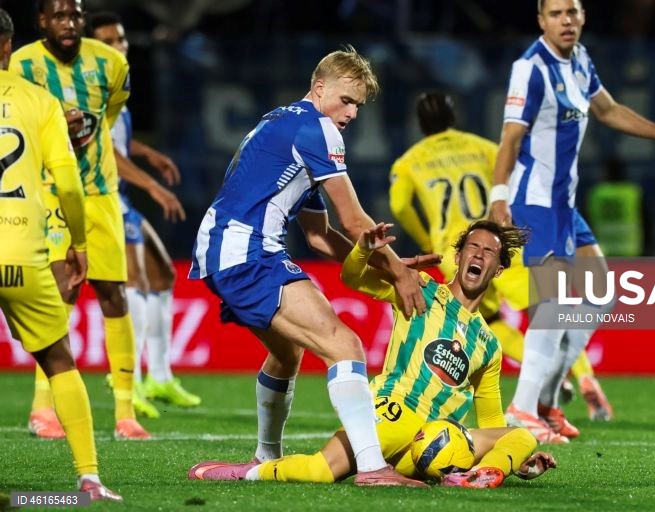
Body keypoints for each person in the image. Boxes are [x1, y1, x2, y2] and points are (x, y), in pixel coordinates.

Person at [188, 46, 431, 487]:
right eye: (347, 100)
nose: (352, 113)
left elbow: (320, 236)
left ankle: (265, 459)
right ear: (319, 88)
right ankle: (372, 467)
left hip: (225, 248)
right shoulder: (318, 130)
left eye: (359, 105)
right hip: (247, 251)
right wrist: (398, 272)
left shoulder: (285, 122)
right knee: (345, 344)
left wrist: (386, 266)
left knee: (287, 352)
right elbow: (354, 221)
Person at [489, 0, 655, 441]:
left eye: (572, 12)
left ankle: (547, 403)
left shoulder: (580, 60)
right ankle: (522, 408)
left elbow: (608, 111)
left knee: (600, 295)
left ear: (583, 16)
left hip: (564, 203)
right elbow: (510, 137)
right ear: (541, 20)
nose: (566, 20)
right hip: (534, 201)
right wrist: (499, 198)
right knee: (554, 306)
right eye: (556, 14)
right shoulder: (530, 68)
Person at [189, 221, 556, 489]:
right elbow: (353, 277)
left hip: (433, 442)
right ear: (459, 257)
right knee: (320, 471)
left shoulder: (489, 344)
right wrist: (364, 249)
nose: (478, 254)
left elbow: (491, 421)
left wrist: (516, 461)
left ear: (499, 268)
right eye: (472, 247)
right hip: (395, 411)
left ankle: (483, 475)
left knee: (522, 437)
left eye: (489, 252)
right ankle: (247, 473)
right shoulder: (421, 289)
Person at [390, 91, 611, 441]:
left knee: (488, 322)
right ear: (453, 116)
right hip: (500, 241)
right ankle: (581, 375)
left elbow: (400, 206)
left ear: (420, 124)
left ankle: (538, 387)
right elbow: (509, 182)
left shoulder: (408, 162)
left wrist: (426, 238)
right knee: (550, 310)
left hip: (457, 251)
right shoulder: (483, 147)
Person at [11, 0, 150, 440]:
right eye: (59, 16)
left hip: (101, 192)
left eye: (75, 15)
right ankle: (42, 409)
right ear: (42, 21)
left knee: (114, 295)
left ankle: (125, 412)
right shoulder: (21, 64)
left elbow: (111, 114)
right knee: (61, 290)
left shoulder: (111, 64)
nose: (69, 24)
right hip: (50, 190)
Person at [0, 8, 121, 501]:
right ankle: (88, 479)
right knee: (58, 360)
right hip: (21, 251)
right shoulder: (39, 100)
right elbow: (69, 186)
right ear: (8, 47)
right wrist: (78, 244)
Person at [87, 11, 200, 419]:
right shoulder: (91, 90)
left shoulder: (116, 84)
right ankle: (128, 379)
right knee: (133, 282)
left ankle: (160, 377)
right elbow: (102, 150)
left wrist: (147, 153)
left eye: (120, 39)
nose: (119, 47)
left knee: (162, 275)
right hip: (101, 197)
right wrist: (152, 185)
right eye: (108, 42)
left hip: (120, 197)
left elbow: (118, 141)